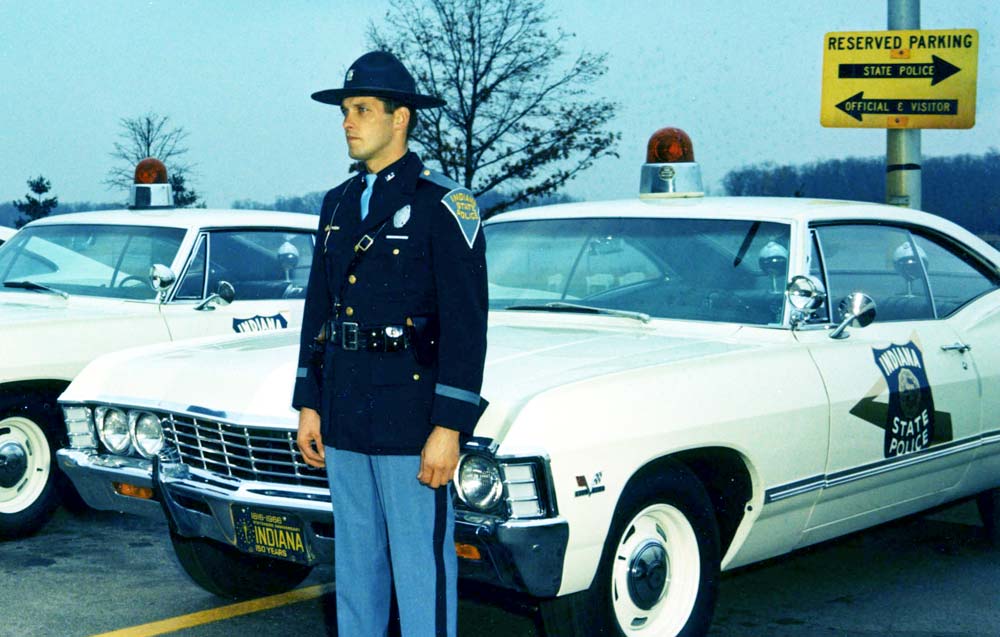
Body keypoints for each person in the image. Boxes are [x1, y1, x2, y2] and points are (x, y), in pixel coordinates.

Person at [293, 50, 488, 637]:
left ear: (399, 118)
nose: (347, 122)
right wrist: (310, 399)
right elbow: (318, 309)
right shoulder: (337, 204)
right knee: (356, 567)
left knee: (419, 568)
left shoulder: (443, 205)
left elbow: (466, 323)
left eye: (361, 109)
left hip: (411, 414)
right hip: (347, 407)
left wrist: (449, 426)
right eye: (345, 111)